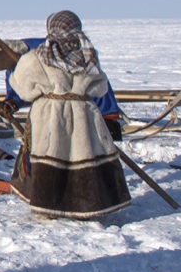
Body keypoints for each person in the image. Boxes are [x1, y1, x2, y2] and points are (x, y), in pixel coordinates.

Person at [9, 11, 131, 219]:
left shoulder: (38, 57)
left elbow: (23, 88)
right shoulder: (88, 55)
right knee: (82, 156)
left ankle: (47, 207)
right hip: (84, 114)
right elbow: (100, 88)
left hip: (50, 115)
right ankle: (87, 205)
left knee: (51, 156)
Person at [3, 38, 123, 140]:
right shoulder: (15, 62)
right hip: (55, 116)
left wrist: (108, 119)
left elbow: (96, 86)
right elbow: (19, 88)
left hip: (79, 111)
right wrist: (11, 102)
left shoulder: (43, 56)